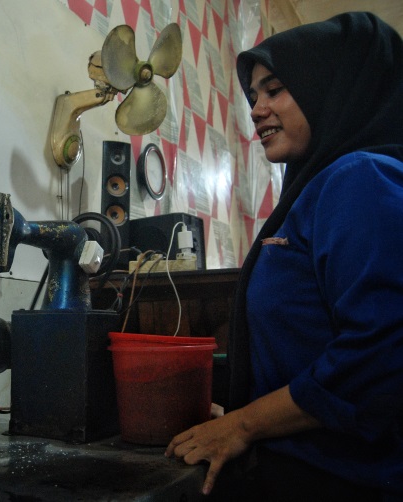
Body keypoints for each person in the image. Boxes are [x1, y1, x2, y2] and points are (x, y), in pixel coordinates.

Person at [165, 11, 403, 502]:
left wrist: (245, 425)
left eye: (275, 89)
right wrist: (243, 412)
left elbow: (381, 355)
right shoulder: (316, 191)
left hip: (344, 482)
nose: (256, 108)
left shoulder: (359, 179)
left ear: (331, 87)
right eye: (254, 95)